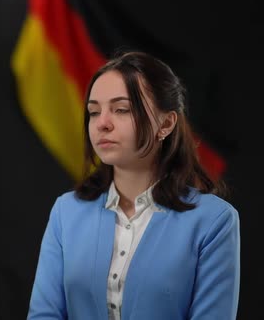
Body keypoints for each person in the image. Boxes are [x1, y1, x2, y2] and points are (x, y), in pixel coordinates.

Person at [27, 51, 240, 320]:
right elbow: (43, 315)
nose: (102, 123)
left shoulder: (214, 220)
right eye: (94, 112)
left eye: (121, 110)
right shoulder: (66, 212)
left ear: (165, 123)